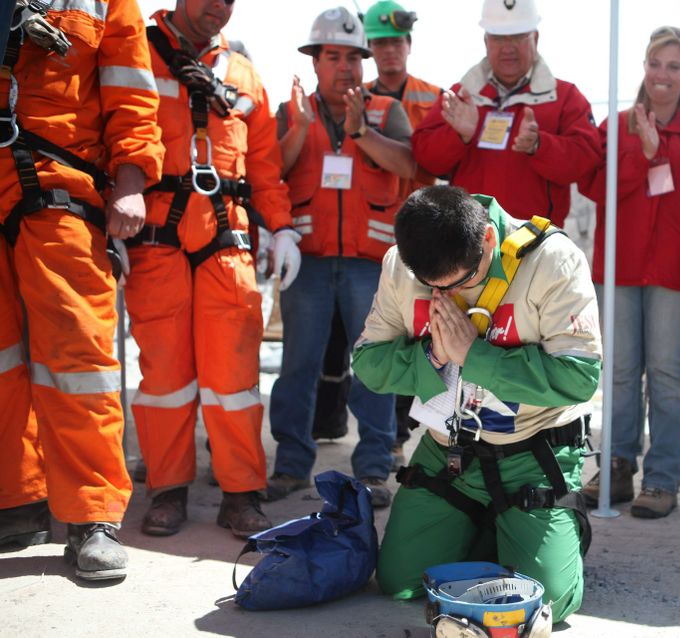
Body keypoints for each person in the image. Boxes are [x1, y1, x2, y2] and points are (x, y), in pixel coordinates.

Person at [352, 185, 601, 624]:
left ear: (487, 239)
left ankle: (538, 530)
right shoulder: (399, 267)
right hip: (449, 453)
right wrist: (435, 356)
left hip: (532, 452)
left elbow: (580, 377)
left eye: (465, 281)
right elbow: (368, 363)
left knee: (549, 603)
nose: (448, 294)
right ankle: (497, 527)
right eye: (433, 287)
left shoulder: (553, 261)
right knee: (400, 581)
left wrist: (475, 356)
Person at [0, 0, 163, 579]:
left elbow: (133, 96)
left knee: (77, 358)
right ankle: (16, 499)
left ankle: (93, 515)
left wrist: (130, 181)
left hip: (57, 186)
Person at [124, 0, 298, 539]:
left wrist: (283, 227)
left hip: (228, 241)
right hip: (155, 238)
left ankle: (241, 494)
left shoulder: (245, 74)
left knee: (235, 382)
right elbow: (115, 135)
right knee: (165, 378)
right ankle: (167, 490)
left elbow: (264, 167)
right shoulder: (138, 55)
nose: (219, 8)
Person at [266, 6, 416, 507]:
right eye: (334, 57)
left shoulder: (387, 111)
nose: (347, 67)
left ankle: (374, 470)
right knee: (299, 365)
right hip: (306, 260)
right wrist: (298, 130)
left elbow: (410, 165)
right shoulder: (291, 111)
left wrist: (359, 133)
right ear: (315, 62)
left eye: (355, 57)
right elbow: (270, 171)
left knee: (373, 368)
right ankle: (290, 466)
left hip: (368, 265)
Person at [577, 26, 680, 519]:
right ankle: (618, 468)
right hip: (619, 268)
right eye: (656, 64)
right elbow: (597, 187)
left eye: (674, 66)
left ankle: (662, 479)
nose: (664, 75)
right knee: (619, 372)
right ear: (644, 67)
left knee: (664, 376)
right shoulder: (616, 126)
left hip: (672, 272)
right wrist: (642, 157)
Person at [313, 0, 443, 465]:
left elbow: (436, 160)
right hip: (376, 236)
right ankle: (373, 432)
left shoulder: (436, 97)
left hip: (425, 232)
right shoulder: (353, 100)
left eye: (396, 43)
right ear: (370, 48)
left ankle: (407, 429)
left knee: (422, 336)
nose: (389, 52)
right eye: (381, 44)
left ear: (408, 46)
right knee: (373, 337)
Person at [411, 0, 600, 226]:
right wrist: (458, 136)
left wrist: (539, 145)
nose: (508, 47)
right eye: (499, 38)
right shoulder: (461, 96)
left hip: (536, 242)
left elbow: (585, 161)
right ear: (486, 41)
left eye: (519, 36)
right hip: (470, 242)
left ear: (535, 38)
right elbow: (425, 159)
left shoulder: (565, 97)